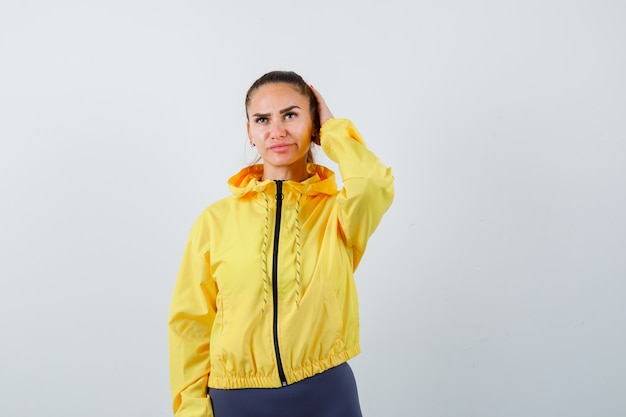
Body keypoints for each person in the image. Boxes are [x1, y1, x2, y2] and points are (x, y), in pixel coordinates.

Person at [168, 70, 394, 417]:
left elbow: (373, 185)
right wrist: (192, 410)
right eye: (263, 119)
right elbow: (190, 325)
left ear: (313, 123)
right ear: (250, 132)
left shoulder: (338, 213)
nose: (277, 131)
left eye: (291, 115)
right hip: (234, 400)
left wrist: (333, 131)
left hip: (325, 393)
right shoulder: (214, 222)